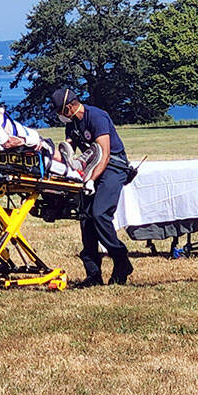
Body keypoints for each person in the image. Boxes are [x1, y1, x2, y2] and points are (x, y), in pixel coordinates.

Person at [52, 87, 135, 286]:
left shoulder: (96, 117)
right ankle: (93, 275)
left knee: (100, 214)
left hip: (113, 167)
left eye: (60, 112)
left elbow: (104, 154)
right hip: (91, 169)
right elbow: (67, 150)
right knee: (86, 218)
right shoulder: (72, 124)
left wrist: (91, 180)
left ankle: (121, 260)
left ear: (69, 107)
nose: (59, 116)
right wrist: (45, 150)